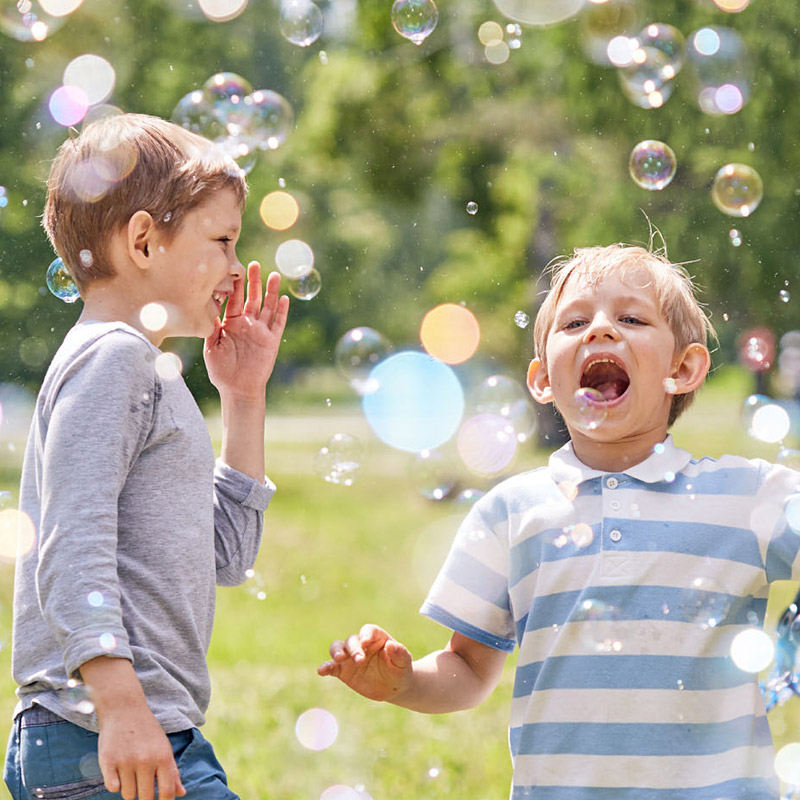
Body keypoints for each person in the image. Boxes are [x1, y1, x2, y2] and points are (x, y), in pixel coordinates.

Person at [319, 243, 800, 799]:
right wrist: (404, 682)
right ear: (543, 378)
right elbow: (468, 669)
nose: (599, 330)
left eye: (631, 318)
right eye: (575, 321)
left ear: (683, 368)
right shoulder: (511, 512)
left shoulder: (744, 496)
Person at [4, 113, 289, 800]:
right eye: (221, 240)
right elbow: (70, 547)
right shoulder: (114, 361)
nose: (233, 266)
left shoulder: (148, 373)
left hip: (139, 729)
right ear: (142, 240)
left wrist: (243, 398)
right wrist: (120, 707)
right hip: (98, 733)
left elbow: (226, 556)